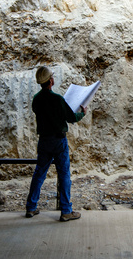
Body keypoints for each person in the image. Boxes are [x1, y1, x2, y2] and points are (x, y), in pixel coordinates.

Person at [26, 66, 86, 222]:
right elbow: (71, 118)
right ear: (51, 81)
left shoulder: (37, 99)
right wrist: (82, 113)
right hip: (59, 141)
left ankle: (31, 207)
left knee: (39, 173)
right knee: (64, 174)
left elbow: (37, 111)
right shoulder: (58, 99)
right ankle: (66, 211)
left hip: (44, 140)